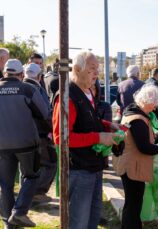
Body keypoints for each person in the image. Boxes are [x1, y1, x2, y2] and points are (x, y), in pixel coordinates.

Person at [52, 51, 119, 229]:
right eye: (92, 69)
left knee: (92, 217)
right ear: (77, 69)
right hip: (79, 169)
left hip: (93, 166)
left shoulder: (87, 91)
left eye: (97, 69)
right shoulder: (67, 96)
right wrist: (98, 137)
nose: (97, 73)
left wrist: (107, 125)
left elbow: (88, 120)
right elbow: (61, 138)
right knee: (78, 221)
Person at [0, 59, 49, 228]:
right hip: (27, 144)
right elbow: (45, 113)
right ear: (21, 75)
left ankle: (8, 224)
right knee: (31, 176)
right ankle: (19, 212)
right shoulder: (28, 89)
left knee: (5, 185)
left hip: (1, 146)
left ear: (5, 73)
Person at [113, 85, 158, 229]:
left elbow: (137, 139)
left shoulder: (131, 113)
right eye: (155, 103)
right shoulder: (138, 119)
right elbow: (144, 147)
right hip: (133, 168)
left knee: (132, 203)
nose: (155, 107)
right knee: (133, 205)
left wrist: (152, 137)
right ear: (148, 101)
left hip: (128, 165)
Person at [23, 63, 56, 203]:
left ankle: (28, 197)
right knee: (51, 163)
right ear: (39, 76)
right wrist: (53, 129)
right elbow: (45, 113)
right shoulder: (35, 89)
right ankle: (37, 193)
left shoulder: (20, 87)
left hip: (23, 135)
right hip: (40, 133)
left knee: (28, 168)